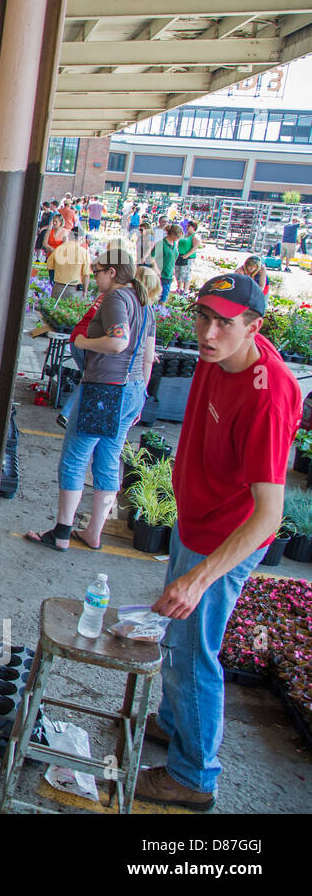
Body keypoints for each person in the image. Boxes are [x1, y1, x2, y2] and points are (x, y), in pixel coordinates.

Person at [135, 273, 302, 810]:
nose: (207, 333)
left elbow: (268, 516)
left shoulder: (269, 395)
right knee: (177, 643)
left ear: (254, 326)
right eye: (202, 317)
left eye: (223, 324)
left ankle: (193, 776)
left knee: (192, 653)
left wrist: (200, 577)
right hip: (196, 520)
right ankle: (175, 722)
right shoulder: (216, 357)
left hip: (226, 538)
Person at [25, 246, 155, 552]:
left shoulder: (116, 297)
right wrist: (142, 394)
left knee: (75, 457)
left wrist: (84, 341)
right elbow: (148, 356)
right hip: (133, 389)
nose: (94, 277)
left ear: (112, 272)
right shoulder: (144, 301)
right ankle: (94, 532)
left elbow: (118, 341)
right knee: (108, 458)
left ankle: (61, 532)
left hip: (105, 390)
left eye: (97, 271)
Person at [46, 228, 92, 298]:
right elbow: (86, 275)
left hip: (57, 288)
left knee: (55, 308)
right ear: (82, 238)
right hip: (74, 289)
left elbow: (50, 267)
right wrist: (85, 291)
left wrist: (53, 281)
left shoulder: (59, 249)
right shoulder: (84, 253)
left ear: (69, 235)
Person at [151, 223, 183, 302]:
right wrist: (155, 268)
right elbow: (151, 257)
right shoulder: (161, 243)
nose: (178, 239)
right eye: (177, 237)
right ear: (172, 234)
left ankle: (161, 312)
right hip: (160, 274)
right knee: (156, 296)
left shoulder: (174, 244)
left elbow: (173, 257)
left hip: (169, 274)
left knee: (164, 297)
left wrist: (174, 271)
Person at [174, 220, 199, 294]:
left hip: (188, 258)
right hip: (180, 255)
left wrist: (187, 255)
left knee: (186, 274)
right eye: (187, 226)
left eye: (189, 226)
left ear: (193, 227)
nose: (187, 227)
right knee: (178, 272)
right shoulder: (185, 235)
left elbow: (195, 247)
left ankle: (185, 290)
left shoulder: (194, 236)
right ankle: (179, 288)